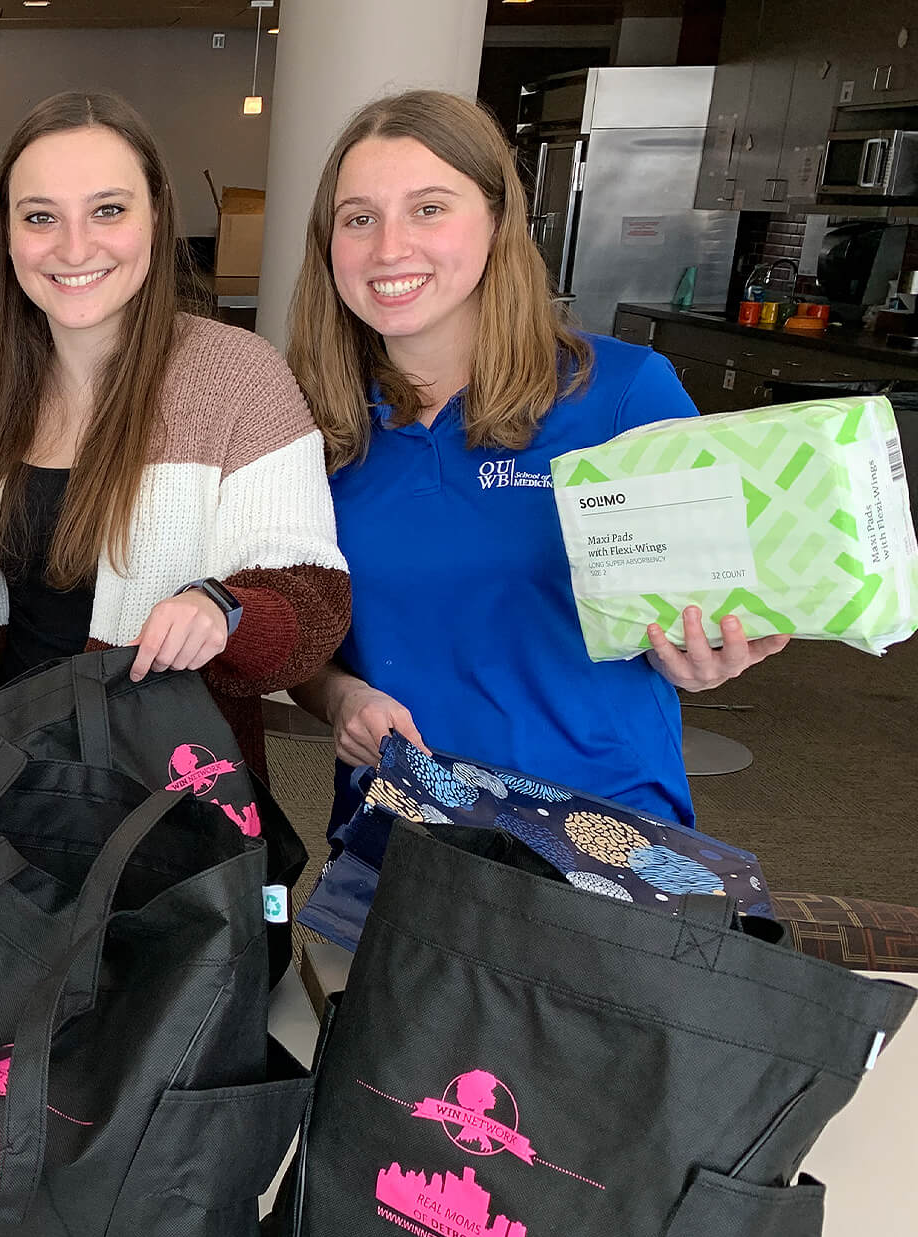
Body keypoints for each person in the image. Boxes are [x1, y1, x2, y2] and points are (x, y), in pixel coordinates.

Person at [284, 90, 789, 834]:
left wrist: (711, 649)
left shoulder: (620, 396)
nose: (390, 248)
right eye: (359, 219)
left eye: (429, 209)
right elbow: (298, 635)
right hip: (399, 832)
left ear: (497, 221)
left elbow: (719, 597)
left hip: (602, 834)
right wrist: (340, 699)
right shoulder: (312, 423)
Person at [0, 92, 350, 777]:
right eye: (40, 217)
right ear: (7, 233)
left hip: (160, 800)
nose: (75, 246)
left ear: (157, 215)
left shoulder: (239, 377)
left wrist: (221, 609)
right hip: (0, 786)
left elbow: (313, 605)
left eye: (108, 210)